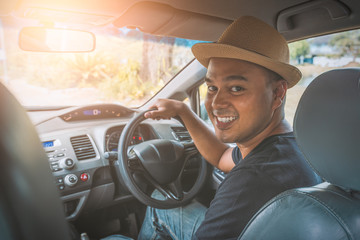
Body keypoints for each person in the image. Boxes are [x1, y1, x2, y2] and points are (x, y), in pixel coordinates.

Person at [104, 16, 322, 240]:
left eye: (236, 88)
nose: (216, 103)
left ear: (277, 93)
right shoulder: (290, 145)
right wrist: (184, 111)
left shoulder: (251, 181)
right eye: (211, 87)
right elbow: (222, 157)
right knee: (162, 202)